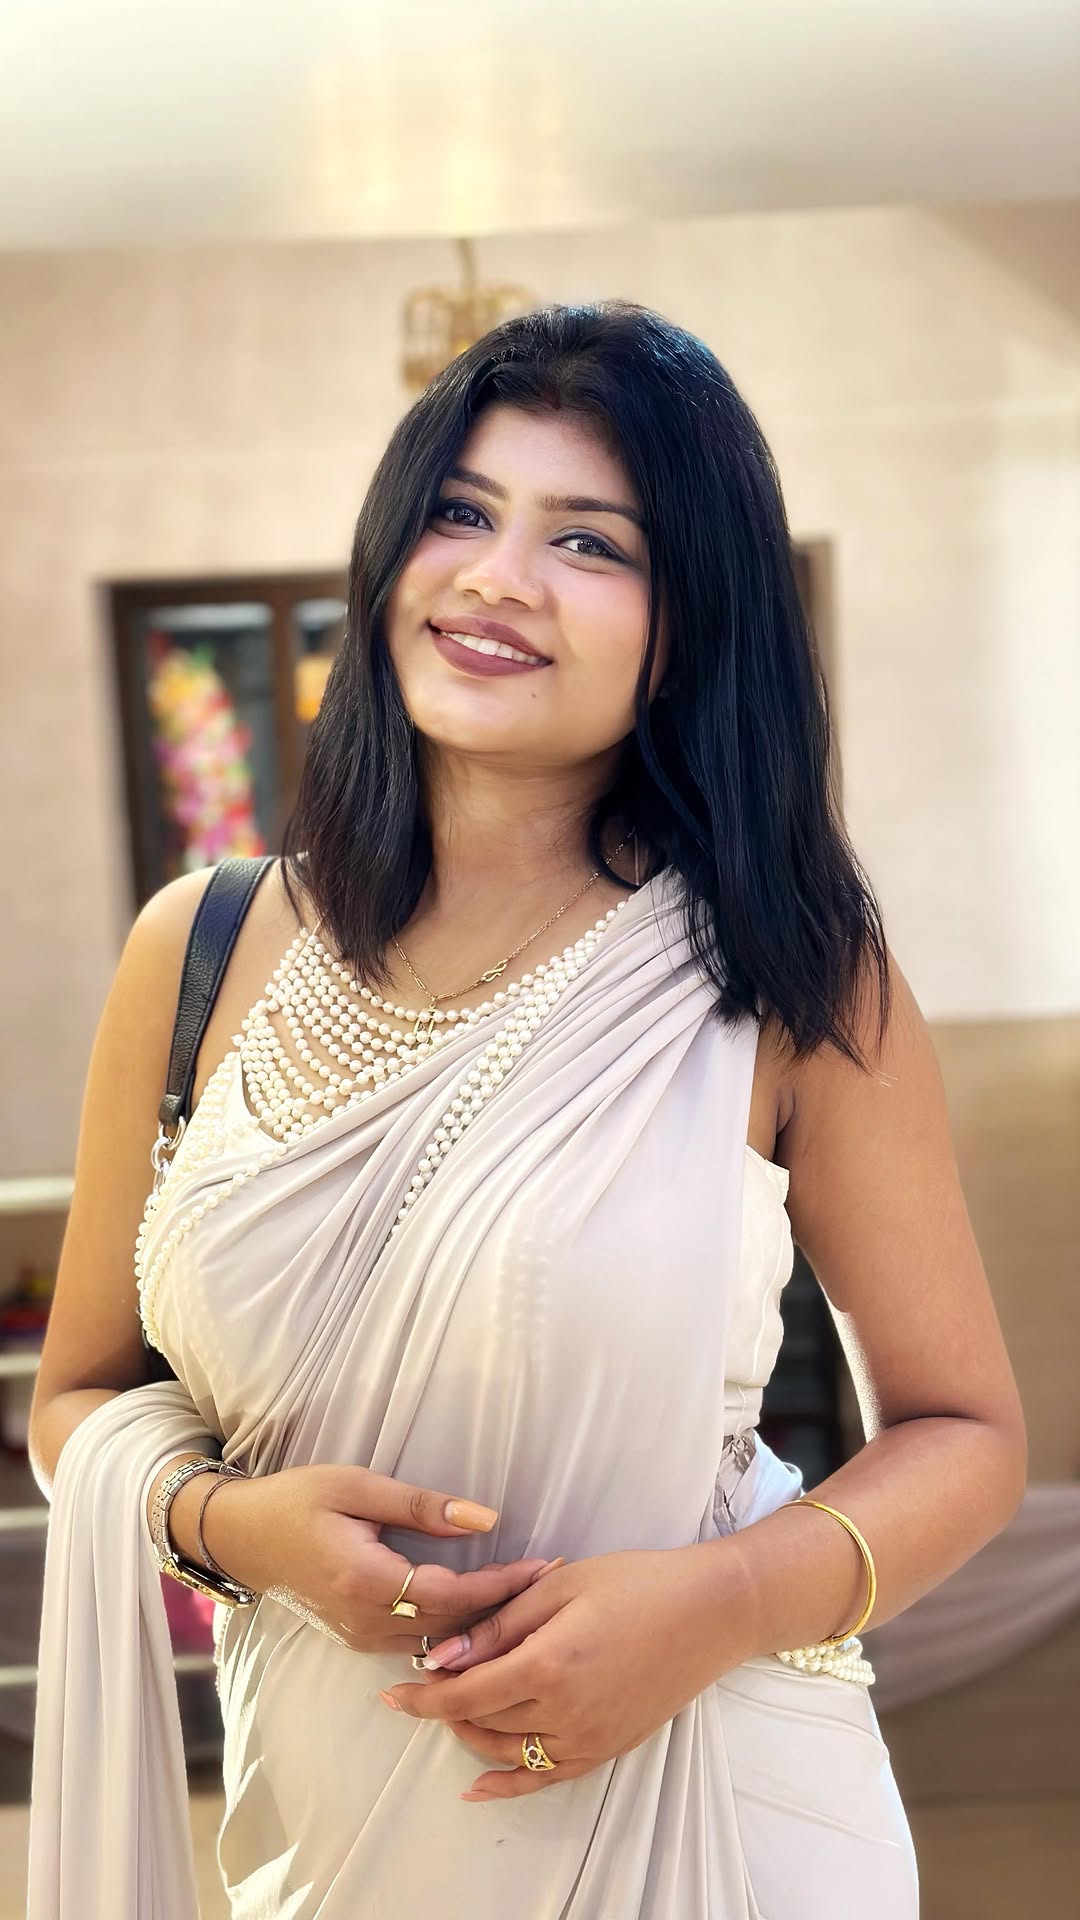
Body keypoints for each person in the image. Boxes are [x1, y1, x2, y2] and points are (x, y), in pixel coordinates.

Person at [27, 302, 1026, 1919]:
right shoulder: (197, 950)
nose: (499, 576)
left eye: (588, 541)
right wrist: (230, 1529)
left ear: (688, 626)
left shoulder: (787, 973)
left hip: (722, 1809)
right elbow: (75, 1398)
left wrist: (717, 1606)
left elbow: (967, 1438)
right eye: (461, 513)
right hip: (330, 1819)